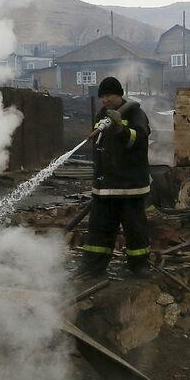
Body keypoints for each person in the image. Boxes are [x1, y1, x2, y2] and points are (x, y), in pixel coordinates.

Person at [76, 76, 152, 279]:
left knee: (135, 229)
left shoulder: (135, 113)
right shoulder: (102, 114)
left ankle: (139, 266)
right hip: (105, 187)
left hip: (130, 186)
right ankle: (93, 267)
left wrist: (121, 129)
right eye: (102, 96)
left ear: (119, 94)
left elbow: (139, 140)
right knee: (99, 230)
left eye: (109, 95)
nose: (105, 100)